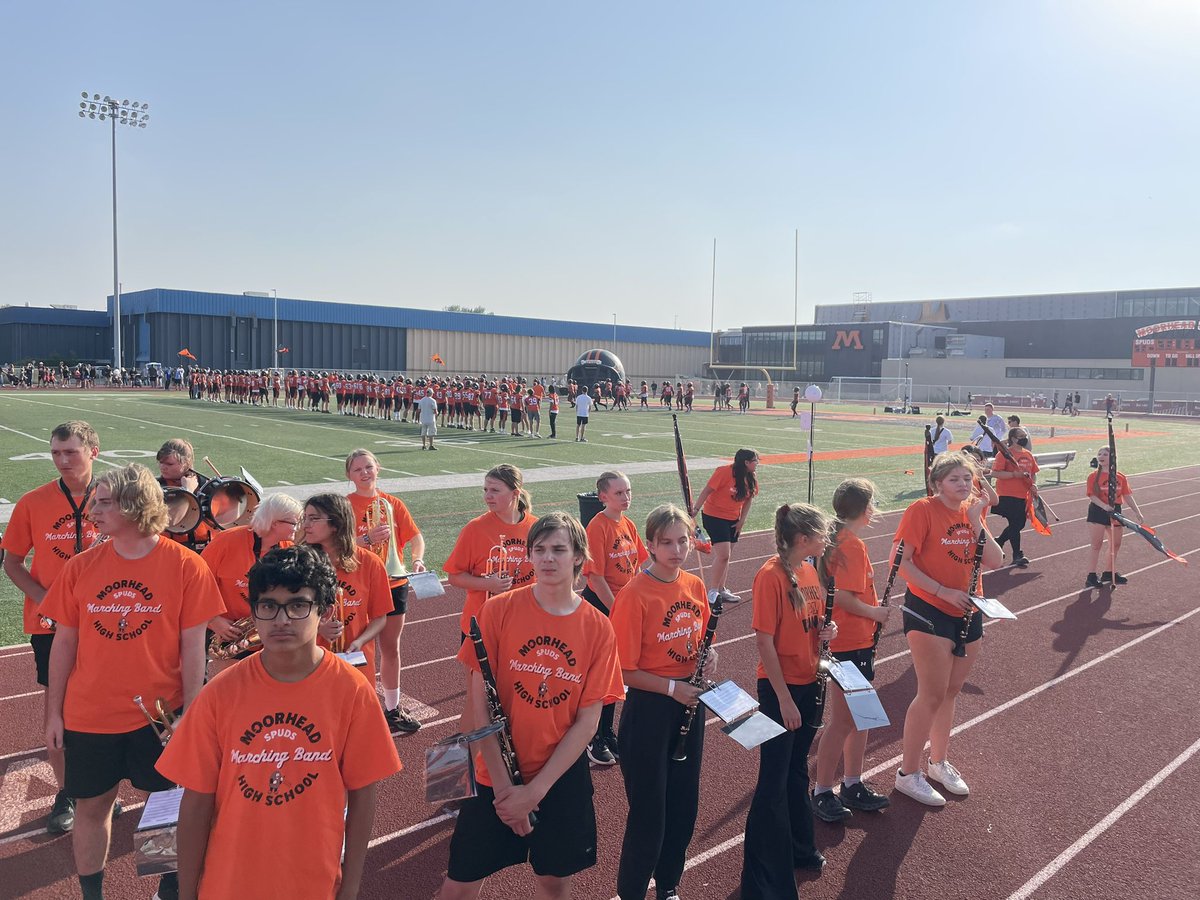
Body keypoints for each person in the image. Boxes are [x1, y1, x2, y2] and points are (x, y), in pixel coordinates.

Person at [157, 545, 402, 900]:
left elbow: (363, 797)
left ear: (325, 610)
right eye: (268, 606)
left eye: (298, 605)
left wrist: (349, 888)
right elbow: (196, 803)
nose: (282, 620)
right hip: (228, 884)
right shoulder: (220, 694)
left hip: (313, 883)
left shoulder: (352, 692)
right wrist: (187, 892)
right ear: (253, 612)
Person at [41, 464, 224, 900]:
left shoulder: (185, 566)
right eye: (94, 501)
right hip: (91, 715)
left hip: (161, 719)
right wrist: (53, 713)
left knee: (166, 810)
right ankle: (93, 895)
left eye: (104, 502)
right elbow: (63, 645)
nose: (93, 510)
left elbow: (193, 649)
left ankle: (168, 888)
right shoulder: (81, 567)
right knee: (91, 809)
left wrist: (193, 715)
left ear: (134, 505)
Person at [439, 512, 623, 900]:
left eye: (559, 549)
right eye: (539, 550)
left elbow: (589, 721)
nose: (547, 559)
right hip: (495, 777)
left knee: (554, 885)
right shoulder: (497, 610)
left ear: (578, 557)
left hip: (556, 778)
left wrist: (534, 792)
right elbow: (479, 703)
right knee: (457, 887)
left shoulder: (598, 627)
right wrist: (508, 791)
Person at [2, 421, 103, 834]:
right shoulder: (33, 501)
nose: (62, 461)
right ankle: (68, 791)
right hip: (50, 625)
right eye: (56, 453)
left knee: (99, 708)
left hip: (107, 620)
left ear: (93, 452)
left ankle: (98, 789)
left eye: (71, 453)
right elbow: (11, 562)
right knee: (58, 707)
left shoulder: (116, 498)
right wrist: (50, 602)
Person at [611, 505, 713, 900]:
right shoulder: (635, 594)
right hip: (651, 710)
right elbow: (623, 670)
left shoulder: (694, 584)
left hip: (689, 705)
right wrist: (673, 690)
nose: (676, 549)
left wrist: (710, 657)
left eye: (683, 540)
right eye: (666, 542)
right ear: (649, 545)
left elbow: (700, 642)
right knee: (649, 815)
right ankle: (632, 892)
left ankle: (668, 886)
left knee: (683, 809)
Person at [892, 451, 1002, 806]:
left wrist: (975, 519)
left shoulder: (972, 510)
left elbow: (995, 560)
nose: (963, 485)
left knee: (951, 692)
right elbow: (902, 563)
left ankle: (938, 762)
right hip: (929, 609)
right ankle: (908, 774)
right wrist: (942, 591)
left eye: (967, 479)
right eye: (955, 479)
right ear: (937, 482)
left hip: (969, 610)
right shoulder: (921, 511)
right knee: (932, 693)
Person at [740, 503, 835, 898]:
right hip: (783, 691)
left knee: (797, 771)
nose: (826, 539)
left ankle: (800, 847)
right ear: (802, 538)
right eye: (821, 534)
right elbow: (764, 641)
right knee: (773, 781)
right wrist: (784, 700)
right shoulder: (770, 576)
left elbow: (809, 623)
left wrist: (826, 631)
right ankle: (762, 879)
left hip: (810, 682)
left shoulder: (809, 569)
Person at [811, 480, 893, 823]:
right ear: (867, 509)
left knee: (861, 718)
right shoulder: (851, 544)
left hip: (855, 642)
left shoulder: (840, 539)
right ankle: (822, 790)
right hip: (849, 644)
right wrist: (876, 613)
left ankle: (853, 782)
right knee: (844, 721)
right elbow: (843, 596)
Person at [345, 449, 426, 734]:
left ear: (378, 468)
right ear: (349, 475)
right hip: (359, 585)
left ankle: (392, 709)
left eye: (369, 467)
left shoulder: (392, 503)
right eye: (358, 469)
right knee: (356, 648)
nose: (364, 473)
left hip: (393, 582)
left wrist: (416, 559)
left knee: (391, 649)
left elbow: (415, 537)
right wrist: (366, 539)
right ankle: (354, 708)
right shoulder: (344, 506)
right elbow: (337, 546)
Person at [581, 471, 648, 766]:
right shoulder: (597, 527)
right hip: (602, 606)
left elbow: (640, 567)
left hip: (623, 607)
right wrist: (617, 610)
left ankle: (607, 731)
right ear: (603, 497)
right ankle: (594, 736)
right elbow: (595, 577)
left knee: (618, 674)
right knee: (600, 674)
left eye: (628, 491)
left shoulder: (629, 524)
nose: (626, 497)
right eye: (619, 493)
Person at [200, 493, 303, 676]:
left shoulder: (289, 549)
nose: (298, 527)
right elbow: (195, 586)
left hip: (267, 637)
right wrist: (213, 620)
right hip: (225, 635)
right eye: (294, 523)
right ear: (275, 523)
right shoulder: (226, 541)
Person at [300, 494, 393, 684]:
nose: (305, 525)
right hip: (310, 660)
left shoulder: (370, 563)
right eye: (305, 518)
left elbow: (380, 617)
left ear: (336, 523)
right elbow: (287, 612)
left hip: (356, 662)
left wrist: (359, 642)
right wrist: (318, 628)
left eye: (314, 518)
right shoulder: (300, 561)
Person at [444, 465, 538, 648]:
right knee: (478, 677)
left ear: (515, 493)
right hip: (482, 622)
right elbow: (454, 576)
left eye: (495, 490)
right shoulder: (474, 529)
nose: (488, 496)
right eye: (486, 490)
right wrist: (488, 584)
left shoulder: (536, 527)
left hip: (524, 621)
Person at [695, 448, 760, 603]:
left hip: (733, 519)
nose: (757, 463)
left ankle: (722, 589)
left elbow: (749, 499)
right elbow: (707, 490)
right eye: (755, 461)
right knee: (724, 555)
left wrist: (741, 521)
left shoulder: (751, 478)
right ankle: (713, 590)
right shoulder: (724, 472)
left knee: (726, 556)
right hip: (714, 516)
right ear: (746, 462)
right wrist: (696, 509)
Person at [1084, 446, 1145, 587]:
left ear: (1112, 457)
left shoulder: (1120, 476)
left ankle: (1109, 572)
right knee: (1096, 545)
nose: (1101, 456)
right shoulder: (1093, 476)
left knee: (1115, 544)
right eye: (1099, 454)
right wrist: (1104, 506)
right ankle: (1091, 576)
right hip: (1098, 511)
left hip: (1115, 511)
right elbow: (1091, 495)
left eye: (1105, 454)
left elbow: (1127, 495)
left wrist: (1137, 511)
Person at [990, 427, 1039, 569]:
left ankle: (999, 541)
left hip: (1023, 495)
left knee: (1019, 524)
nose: (1024, 438)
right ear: (1013, 438)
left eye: (1025, 435)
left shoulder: (1028, 454)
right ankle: (1017, 554)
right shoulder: (1004, 455)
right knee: (1016, 523)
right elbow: (995, 473)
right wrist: (1014, 475)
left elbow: (1033, 473)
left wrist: (1033, 485)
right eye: (1021, 436)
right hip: (1007, 494)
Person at [156, 438, 212, 553]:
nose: (163, 467)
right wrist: (187, 491)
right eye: (161, 462)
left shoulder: (205, 485)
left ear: (186, 463)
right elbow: (171, 521)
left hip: (205, 549)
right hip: (168, 550)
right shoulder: (154, 487)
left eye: (169, 464)